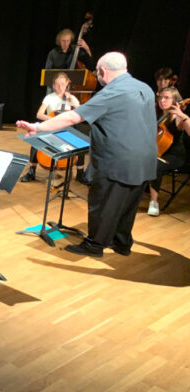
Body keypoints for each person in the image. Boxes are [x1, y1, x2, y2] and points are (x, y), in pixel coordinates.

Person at [16, 52, 156, 257]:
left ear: (103, 71)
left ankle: (95, 245)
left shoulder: (111, 92)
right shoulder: (145, 88)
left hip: (117, 159)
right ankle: (122, 243)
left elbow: (72, 117)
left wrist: (37, 127)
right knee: (127, 204)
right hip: (145, 158)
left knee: (103, 202)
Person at [20, 72, 86, 183]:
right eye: (57, 84)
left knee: (81, 145)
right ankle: (31, 171)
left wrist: (73, 103)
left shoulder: (72, 98)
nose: (60, 87)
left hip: (66, 131)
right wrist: (54, 120)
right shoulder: (49, 98)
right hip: (51, 129)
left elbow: (82, 114)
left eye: (63, 84)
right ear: (53, 85)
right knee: (35, 141)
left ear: (67, 84)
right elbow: (39, 114)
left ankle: (80, 173)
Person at [148, 87, 190, 216]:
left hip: (175, 156)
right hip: (159, 151)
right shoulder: (160, 115)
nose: (162, 100)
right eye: (160, 97)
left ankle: (153, 202)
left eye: (166, 97)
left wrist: (182, 115)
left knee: (154, 164)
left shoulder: (178, 118)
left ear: (175, 100)